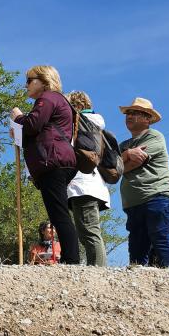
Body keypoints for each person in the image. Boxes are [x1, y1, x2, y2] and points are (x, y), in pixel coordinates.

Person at [12, 65, 79, 265]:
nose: (26, 85)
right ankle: (70, 258)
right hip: (56, 160)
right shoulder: (57, 100)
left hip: (53, 162)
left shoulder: (48, 98)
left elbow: (33, 125)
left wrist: (18, 117)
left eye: (30, 80)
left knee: (59, 215)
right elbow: (38, 131)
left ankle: (71, 260)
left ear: (44, 80)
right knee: (57, 212)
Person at [118, 97, 169, 268]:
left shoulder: (155, 136)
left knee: (161, 242)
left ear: (147, 118)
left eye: (135, 113)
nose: (129, 116)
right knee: (137, 251)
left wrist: (121, 162)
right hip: (134, 204)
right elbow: (111, 167)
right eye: (128, 113)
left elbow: (129, 165)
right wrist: (127, 154)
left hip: (158, 197)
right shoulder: (124, 145)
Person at [66, 90, 111, 267]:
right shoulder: (96, 126)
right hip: (93, 184)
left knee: (90, 232)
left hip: (82, 185)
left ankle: (99, 270)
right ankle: (97, 268)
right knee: (88, 231)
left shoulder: (78, 125)